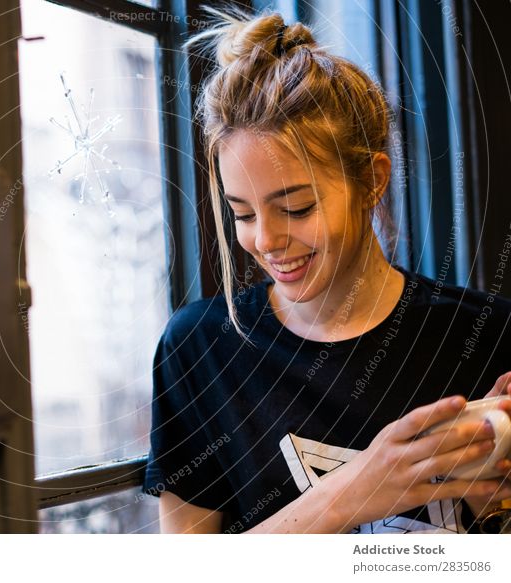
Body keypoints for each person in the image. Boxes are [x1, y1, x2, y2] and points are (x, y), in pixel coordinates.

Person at [141, 6, 511, 534]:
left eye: (296, 208)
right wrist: (354, 492)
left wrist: (492, 501)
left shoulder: (489, 334)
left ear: (372, 181)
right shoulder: (200, 349)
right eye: (242, 213)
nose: (265, 241)